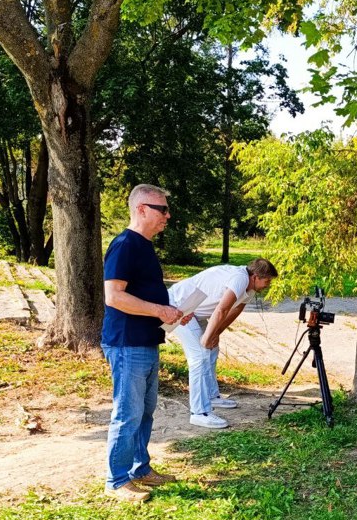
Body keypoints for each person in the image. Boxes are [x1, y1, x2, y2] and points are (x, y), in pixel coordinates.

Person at [101, 184, 184, 503]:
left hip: (147, 340)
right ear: (141, 209)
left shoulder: (144, 246)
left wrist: (173, 314)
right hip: (126, 343)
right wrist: (158, 310)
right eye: (162, 209)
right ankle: (117, 480)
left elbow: (144, 297)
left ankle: (139, 469)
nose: (167, 215)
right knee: (128, 412)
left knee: (145, 411)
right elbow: (114, 296)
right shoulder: (125, 245)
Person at [169, 258, 278, 429]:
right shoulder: (240, 278)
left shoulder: (249, 287)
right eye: (267, 281)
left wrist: (216, 333)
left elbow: (236, 310)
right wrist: (206, 337)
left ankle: (212, 396)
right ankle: (199, 412)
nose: (268, 285)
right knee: (199, 356)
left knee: (211, 350)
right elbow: (222, 309)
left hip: (194, 313)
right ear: (255, 276)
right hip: (179, 306)